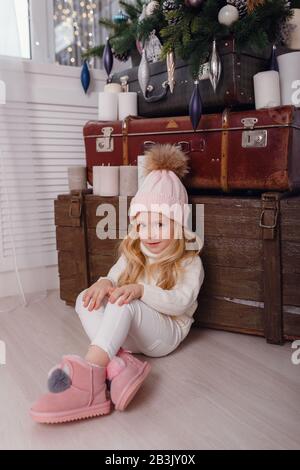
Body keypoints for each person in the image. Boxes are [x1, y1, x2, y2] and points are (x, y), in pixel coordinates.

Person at [30, 144, 204, 424]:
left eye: (160, 224)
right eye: (143, 225)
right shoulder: (135, 252)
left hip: (165, 334)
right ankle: (119, 365)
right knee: (87, 298)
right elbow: (113, 276)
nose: (149, 234)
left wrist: (141, 290)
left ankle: (91, 378)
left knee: (125, 302)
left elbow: (181, 301)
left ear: (179, 225)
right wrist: (102, 283)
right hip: (132, 334)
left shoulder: (189, 262)